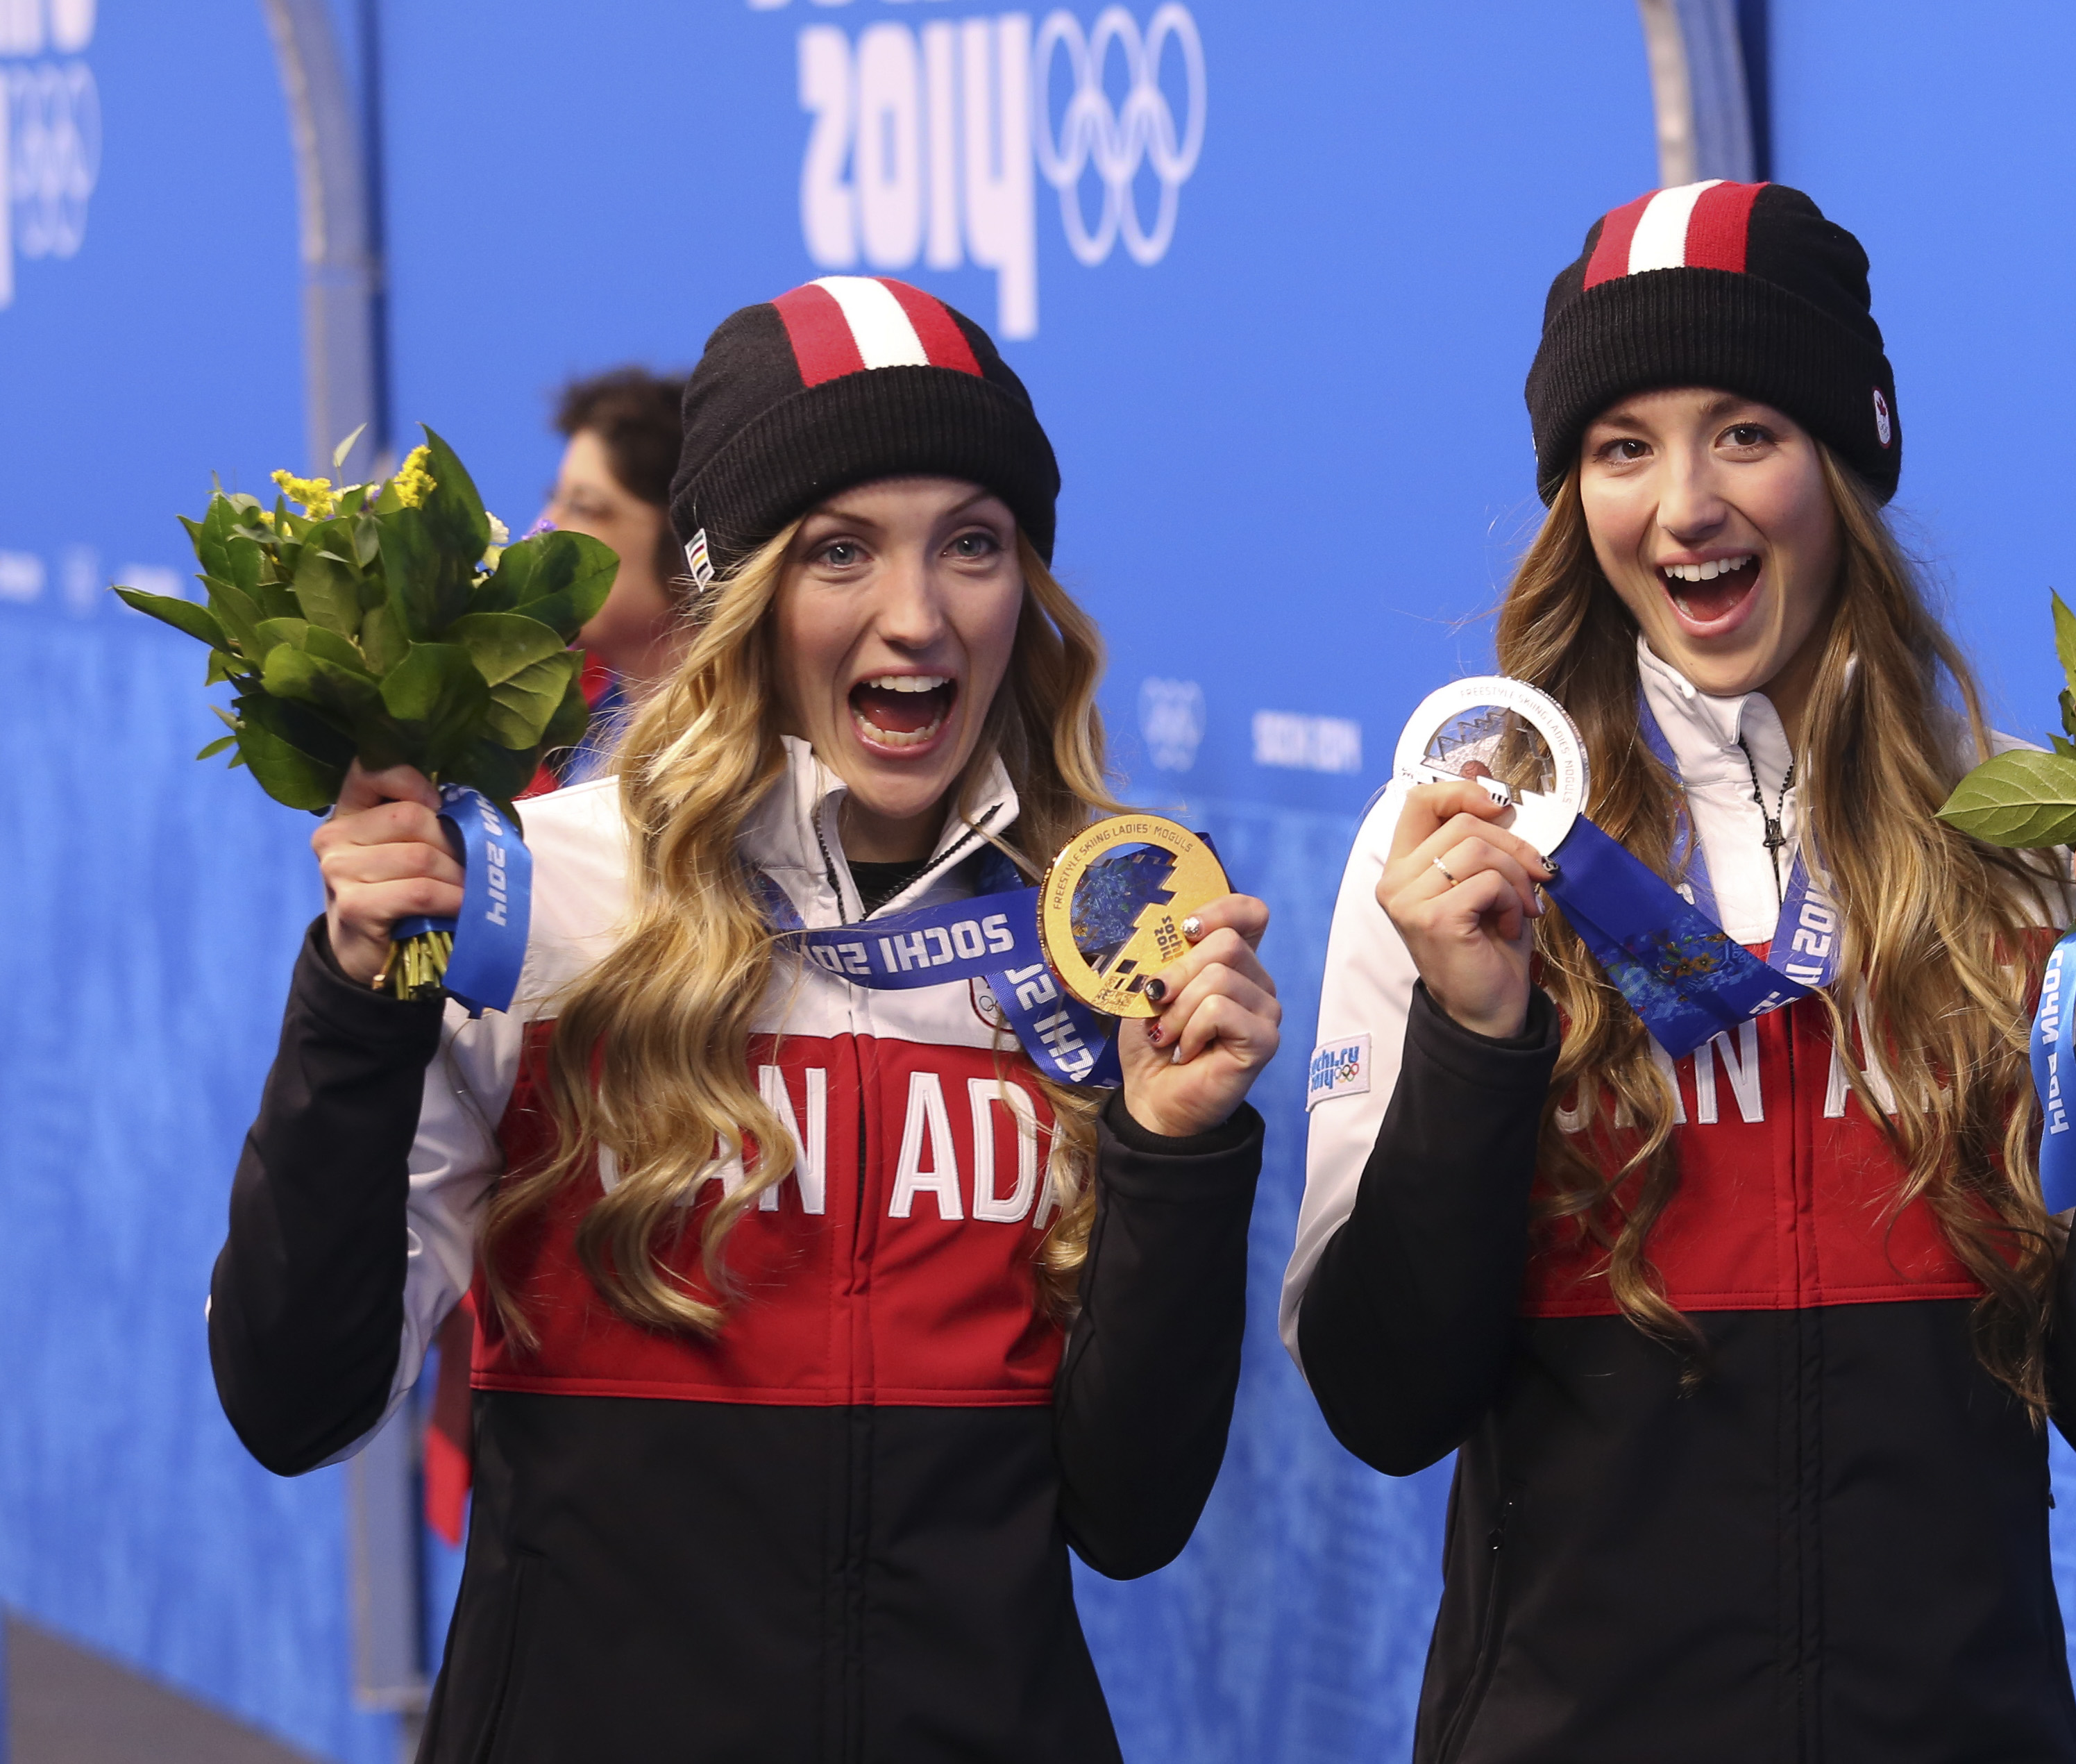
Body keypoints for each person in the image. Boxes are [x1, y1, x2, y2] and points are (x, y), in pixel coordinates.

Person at [209, 276, 1281, 1762]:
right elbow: (293, 1399)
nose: (916, 615)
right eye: (840, 550)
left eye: (971, 544)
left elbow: (1126, 1516)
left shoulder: (1087, 938)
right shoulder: (540, 900)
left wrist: (1173, 1147)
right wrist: (354, 1005)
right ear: (740, 589)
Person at [1283, 181, 2076, 1761]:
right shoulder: (1463, 842)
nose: (1680, 506)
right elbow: (1382, 1403)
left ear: (1844, 466)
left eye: (1743, 432)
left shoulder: (2014, 839)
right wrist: (1476, 1038)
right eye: (1619, 447)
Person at [538, 366, 691, 783]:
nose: (542, 530)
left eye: (584, 508)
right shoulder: (584, 730)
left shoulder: (746, 766)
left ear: (687, 544)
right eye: (555, 501)